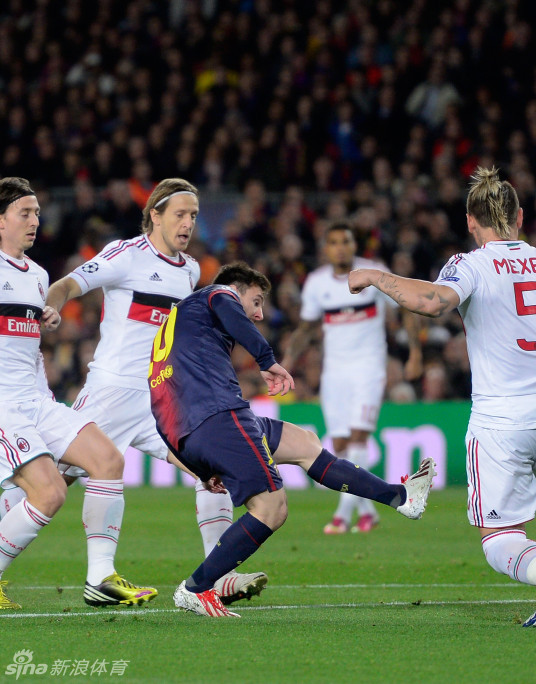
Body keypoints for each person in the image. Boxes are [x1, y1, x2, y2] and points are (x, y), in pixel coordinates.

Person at [348, 167, 536, 627]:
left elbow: (433, 302)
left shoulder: (470, 263)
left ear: (471, 223)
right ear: (519, 215)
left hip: (504, 425)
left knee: (498, 542)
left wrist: (375, 275)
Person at [0, 178, 268, 606]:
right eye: (179, 214)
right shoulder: (126, 256)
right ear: (155, 214)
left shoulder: (191, 271)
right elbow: (70, 285)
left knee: (211, 471)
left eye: (194, 215)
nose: (188, 223)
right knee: (46, 484)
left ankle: (216, 579)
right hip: (112, 393)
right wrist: (50, 306)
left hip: (161, 399)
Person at [150, 262, 434, 618]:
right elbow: (232, 311)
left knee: (304, 443)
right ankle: (196, 587)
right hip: (218, 415)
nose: (258, 313)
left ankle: (400, 497)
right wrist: (267, 360)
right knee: (272, 508)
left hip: (195, 426)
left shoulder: (176, 327)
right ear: (236, 290)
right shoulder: (217, 294)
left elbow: (159, 409)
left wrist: (197, 464)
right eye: (255, 301)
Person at [0, 177, 154, 610]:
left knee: (107, 460)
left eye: (36, 212)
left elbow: (23, 347)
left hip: (36, 401)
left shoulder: (36, 275)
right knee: (49, 493)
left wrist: (43, 318)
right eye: (24, 213)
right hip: (3, 405)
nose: (35, 220)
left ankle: (100, 578)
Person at [283, 222, 422, 535]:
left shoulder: (373, 273)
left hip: (369, 368)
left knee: (359, 438)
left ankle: (342, 516)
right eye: (333, 242)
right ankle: (369, 511)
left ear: (353, 245)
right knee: (341, 445)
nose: (340, 247)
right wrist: (288, 359)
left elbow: (407, 308)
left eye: (345, 241)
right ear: (326, 248)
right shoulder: (317, 283)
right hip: (335, 373)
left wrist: (415, 352)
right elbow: (306, 328)